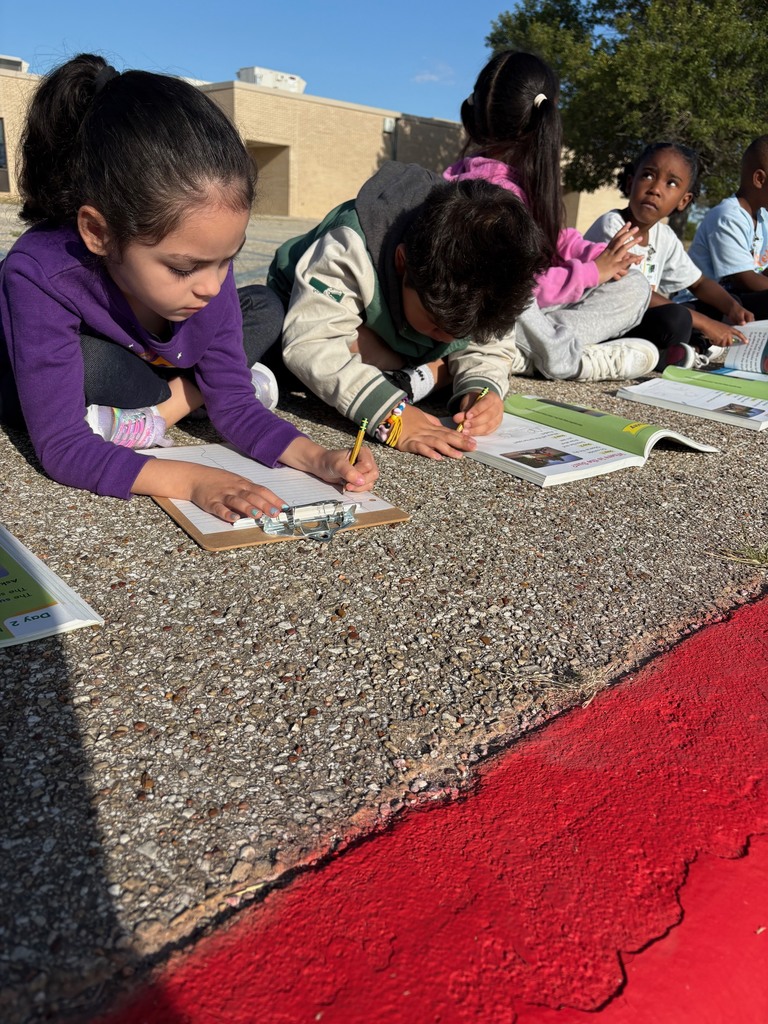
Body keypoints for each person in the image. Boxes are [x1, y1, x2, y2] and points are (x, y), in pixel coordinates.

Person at [0, 54, 377, 523]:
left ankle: (185, 395)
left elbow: (237, 407)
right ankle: (186, 398)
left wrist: (319, 458)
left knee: (263, 304)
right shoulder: (40, 272)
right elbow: (62, 445)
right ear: (98, 232)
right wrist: (191, 479)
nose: (212, 286)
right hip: (100, 366)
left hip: (158, 369)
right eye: (184, 268)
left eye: (228, 259)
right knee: (70, 375)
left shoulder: (209, 282)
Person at [268, 161, 547, 459]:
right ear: (402, 262)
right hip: (310, 308)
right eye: (436, 324)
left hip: (390, 333)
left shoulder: (487, 280)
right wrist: (392, 413)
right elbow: (312, 342)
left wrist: (483, 389)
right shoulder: (350, 245)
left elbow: (491, 343)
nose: (446, 338)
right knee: (336, 351)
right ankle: (428, 373)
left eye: (461, 333)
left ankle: (421, 369)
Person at [443, 50, 658, 381]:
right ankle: (564, 359)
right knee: (510, 296)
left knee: (633, 285)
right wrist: (590, 274)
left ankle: (522, 353)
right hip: (488, 313)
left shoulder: (519, 183)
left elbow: (556, 236)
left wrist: (599, 257)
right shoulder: (491, 198)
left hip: (524, 320)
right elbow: (518, 290)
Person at [585, 142, 752, 369]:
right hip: (607, 319)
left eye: (671, 183)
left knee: (716, 307)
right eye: (648, 176)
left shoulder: (664, 235)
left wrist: (733, 308)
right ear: (630, 182)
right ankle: (679, 351)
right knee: (677, 319)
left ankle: (691, 348)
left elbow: (700, 282)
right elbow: (631, 292)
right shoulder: (613, 226)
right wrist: (706, 324)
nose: (655, 189)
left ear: (683, 201)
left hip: (639, 319)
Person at [684, 135, 768, 320]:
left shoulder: (763, 218)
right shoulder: (728, 216)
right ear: (760, 179)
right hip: (702, 305)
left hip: (738, 301)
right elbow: (745, 280)